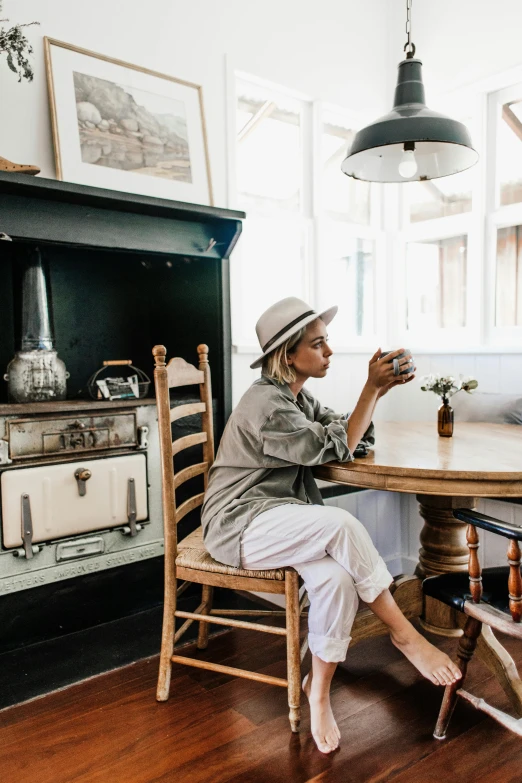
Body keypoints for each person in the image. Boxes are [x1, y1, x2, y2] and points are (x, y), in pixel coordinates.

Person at [201, 297, 461, 754]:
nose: (329, 351)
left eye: (327, 341)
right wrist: (369, 391)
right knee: (340, 525)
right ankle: (405, 634)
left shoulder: (295, 395)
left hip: (279, 517)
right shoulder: (268, 405)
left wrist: (376, 393)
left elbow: (342, 432)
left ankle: (316, 692)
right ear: (288, 354)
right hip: (239, 523)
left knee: (338, 580)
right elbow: (334, 446)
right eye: (318, 344)